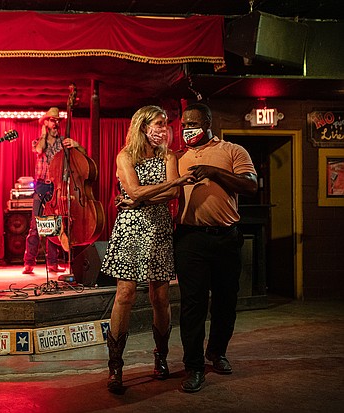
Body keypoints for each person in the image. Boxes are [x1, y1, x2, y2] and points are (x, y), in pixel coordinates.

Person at [101, 105, 193, 393]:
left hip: (159, 228)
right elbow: (135, 190)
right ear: (142, 126)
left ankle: (161, 358)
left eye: (165, 124)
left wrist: (142, 197)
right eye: (157, 123)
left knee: (161, 297)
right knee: (125, 294)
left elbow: (171, 194)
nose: (163, 129)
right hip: (130, 230)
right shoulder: (125, 155)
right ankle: (115, 366)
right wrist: (170, 183)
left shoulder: (168, 155)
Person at [175, 102, 258, 393]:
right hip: (190, 238)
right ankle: (194, 367)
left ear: (208, 123)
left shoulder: (233, 151)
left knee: (225, 301)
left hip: (225, 237)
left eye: (193, 124)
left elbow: (250, 185)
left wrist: (213, 171)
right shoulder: (178, 157)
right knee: (193, 305)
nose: (187, 129)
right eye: (184, 124)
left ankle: (217, 352)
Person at [22, 107, 86, 277]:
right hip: (42, 186)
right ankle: (29, 262)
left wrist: (77, 145)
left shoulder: (64, 141)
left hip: (57, 186)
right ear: (45, 123)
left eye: (57, 121)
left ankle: (52, 263)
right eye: (52, 120)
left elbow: (82, 156)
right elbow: (38, 150)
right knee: (35, 225)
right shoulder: (38, 140)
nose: (56, 123)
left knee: (54, 225)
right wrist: (43, 134)